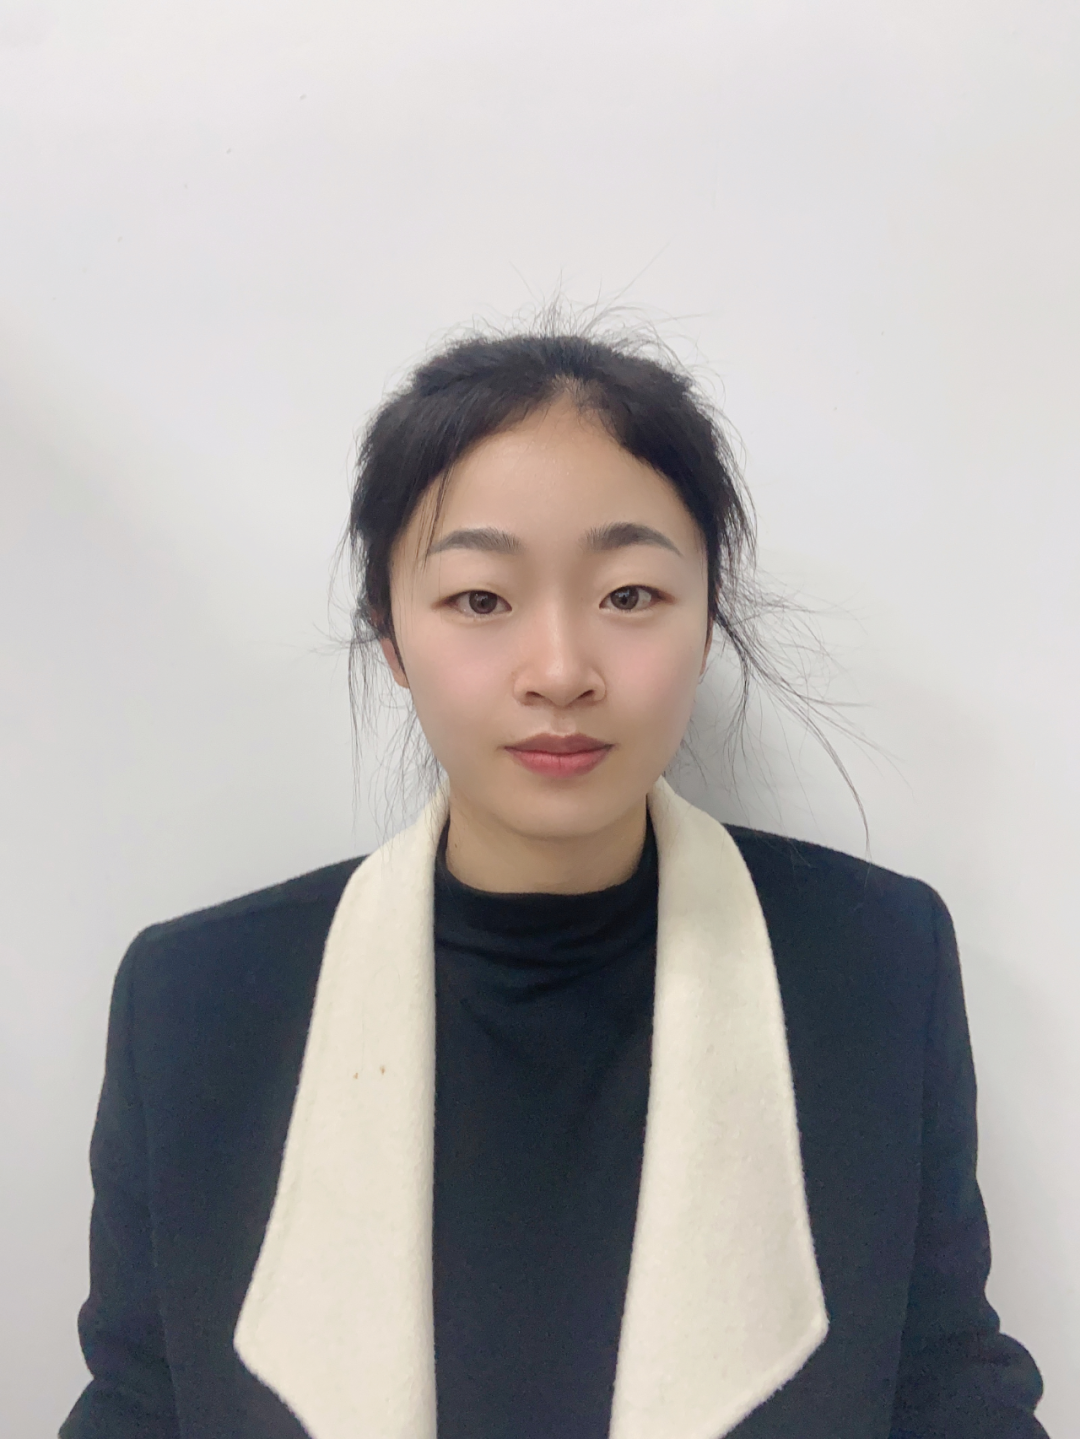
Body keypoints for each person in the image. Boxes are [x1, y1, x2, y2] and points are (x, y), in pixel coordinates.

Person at [61, 327, 1049, 1439]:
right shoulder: (197, 1005)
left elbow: (950, 1387)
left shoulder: (874, 964)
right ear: (390, 634)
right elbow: (137, 1403)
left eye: (630, 593)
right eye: (481, 600)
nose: (563, 670)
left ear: (707, 615)